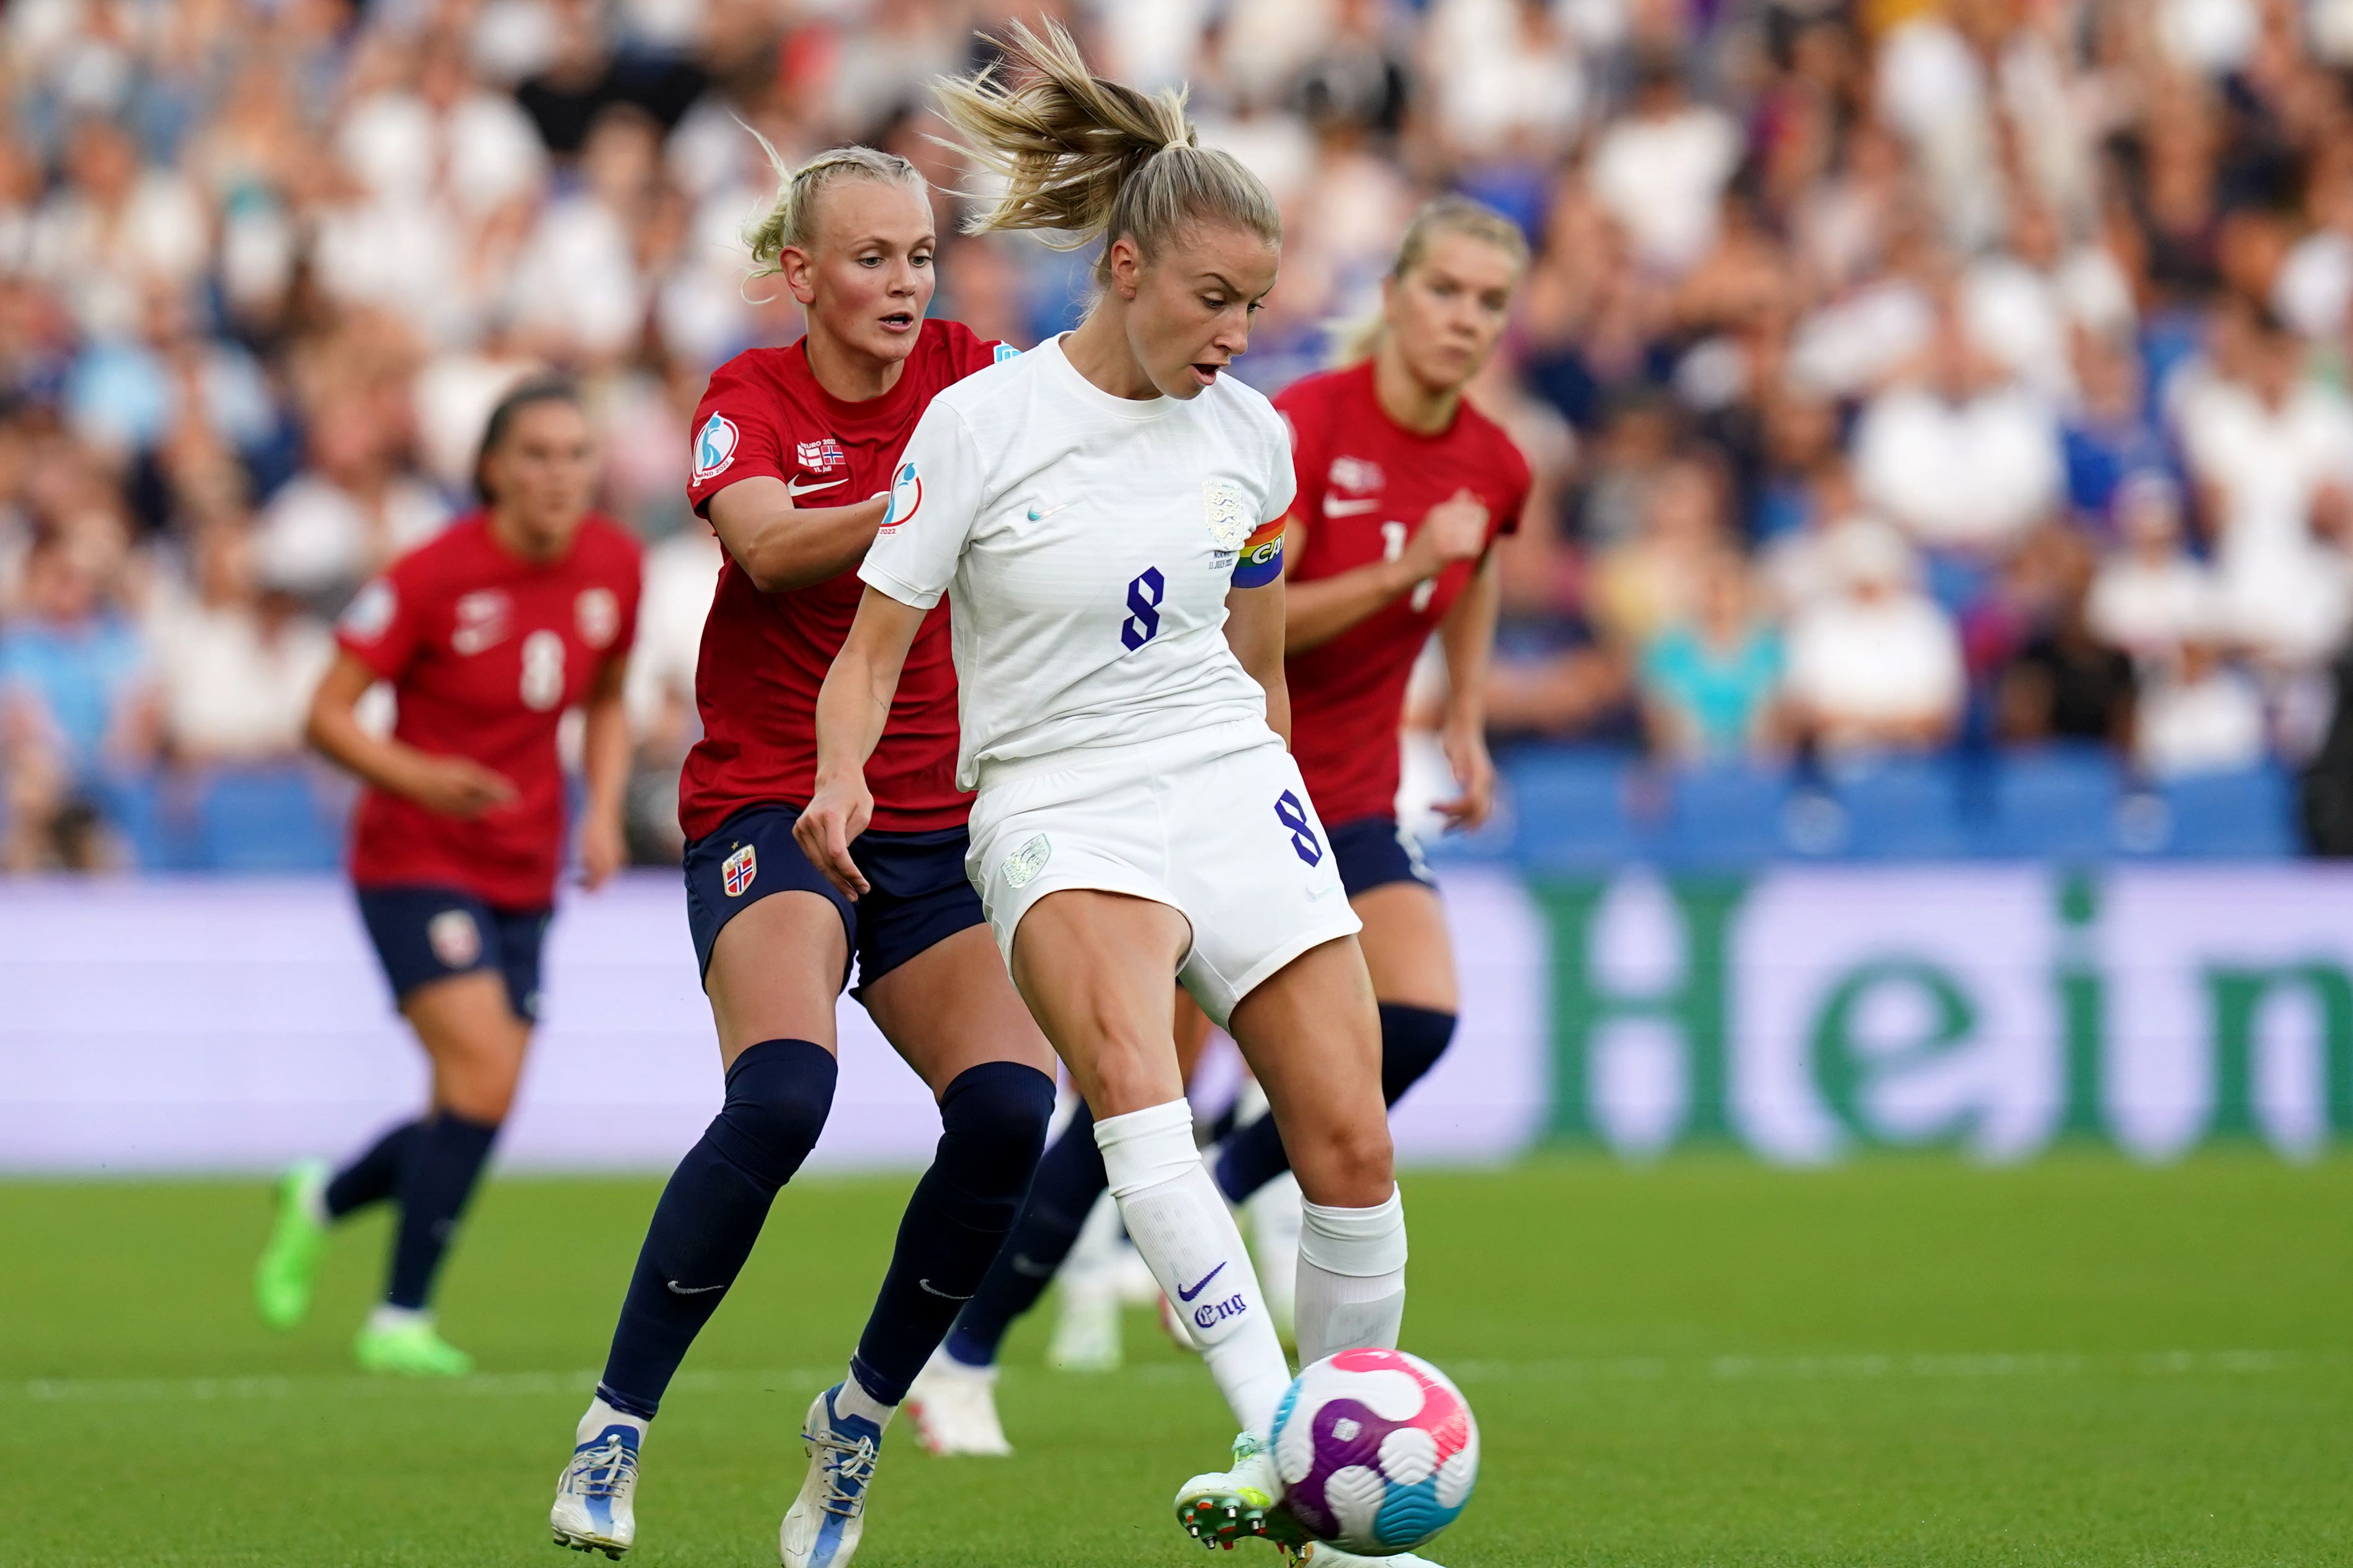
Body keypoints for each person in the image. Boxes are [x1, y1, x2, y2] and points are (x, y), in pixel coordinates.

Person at [799, 25, 1421, 1563]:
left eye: (1257, 306)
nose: (1235, 332)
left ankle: (1339, 1505)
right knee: (1140, 1093)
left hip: (1221, 773)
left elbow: (1254, 647)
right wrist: (836, 779)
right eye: (1213, 298)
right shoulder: (985, 422)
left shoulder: (1254, 440)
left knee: (1349, 1142)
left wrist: (1281, 783)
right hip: (1056, 796)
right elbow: (876, 644)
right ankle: (1289, 1460)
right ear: (1125, 266)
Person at [907, 195, 1533, 1459]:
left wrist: (1463, 710)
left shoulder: (1493, 461)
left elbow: (1479, 569)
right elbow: (1248, 619)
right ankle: (970, 1347)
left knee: (1411, 1019)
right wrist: (1409, 571)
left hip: (1336, 784)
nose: (1464, 321)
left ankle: (1243, 1207)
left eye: (1490, 303)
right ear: (1397, 292)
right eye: (1445, 290)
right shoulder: (1290, 422)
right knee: (1145, 1090)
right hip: (1199, 773)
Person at [544, 144, 1059, 1568]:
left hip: (937, 813)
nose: (904, 282)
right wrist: (923, 504)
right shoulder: (747, 397)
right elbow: (766, 552)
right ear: (800, 273)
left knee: (1014, 1110)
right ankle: (618, 1418)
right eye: (871, 257)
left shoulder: (980, 366)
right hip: (770, 799)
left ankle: (858, 1413)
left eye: (918, 254)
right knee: (781, 1095)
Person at [251, 379, 641, 1376]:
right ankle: (399, 1319)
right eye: (537, 455)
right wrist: (421, 774)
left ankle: (324, 1200)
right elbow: (325, 712)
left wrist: (598, 809)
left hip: (524, 864)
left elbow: (601, 699)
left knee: (480, 1093)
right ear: (493, 470)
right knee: (478, 1073)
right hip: (413, 857)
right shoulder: (431, 575)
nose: (560, 475)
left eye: (576, 454)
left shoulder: (614, 564)